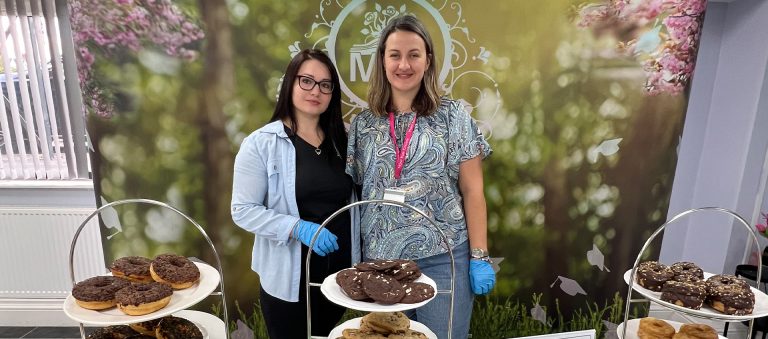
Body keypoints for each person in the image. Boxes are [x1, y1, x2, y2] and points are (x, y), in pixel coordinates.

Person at [346, 15, 496, 338]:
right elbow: (357, 196)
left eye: (414, 54)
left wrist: (479, 256)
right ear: (382, 60)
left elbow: (473, 191)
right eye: (395, 55)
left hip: (443, 260)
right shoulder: (363, 125)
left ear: (428, 59)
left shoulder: (453, 116)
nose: (404, 64)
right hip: (380, 266)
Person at [231, 49, 359, 338]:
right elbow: (242, 210)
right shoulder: (260, 144)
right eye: (307, 81)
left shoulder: (346, 139)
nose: (316, 91)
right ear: (290, 83)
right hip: (289, 281)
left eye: (325, 85)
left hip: (338, 279)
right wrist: (297, 228)